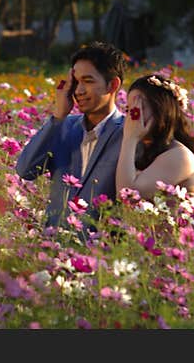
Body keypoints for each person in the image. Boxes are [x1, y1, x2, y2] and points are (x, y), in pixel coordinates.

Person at [16, 42, 127, 228]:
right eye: (75, 82)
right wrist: (58, 116)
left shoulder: (129, 133)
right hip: (55, 247)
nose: (78, 91)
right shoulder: (62, 127)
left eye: (88, 81)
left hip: (104, 248)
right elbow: (25, 170)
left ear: (112, 85)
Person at [116, 74, 194, 199]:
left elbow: (127, 196)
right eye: (128, 110)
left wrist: (130, 139)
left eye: (137, 109)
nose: (131, 118)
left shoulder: (179, 156)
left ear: (160, 109)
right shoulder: (143, 149)